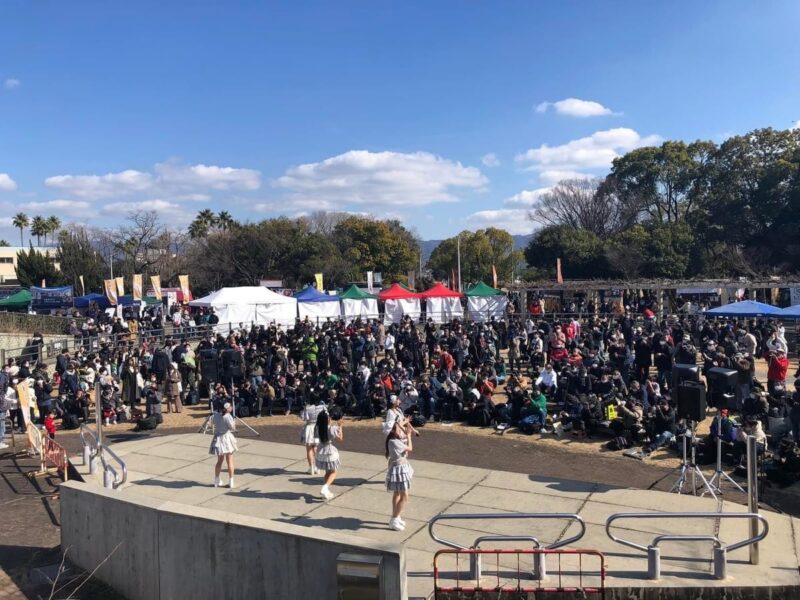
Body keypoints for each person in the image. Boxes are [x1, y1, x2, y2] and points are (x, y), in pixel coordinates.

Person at [385, 419, 414, 531]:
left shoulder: (393, 440)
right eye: (397, 429)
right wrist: (409, 436)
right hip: (399, 469)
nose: (400, 430)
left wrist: (405, 427)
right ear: (393, 431)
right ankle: (394, 518)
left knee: (397, 493)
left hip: (399, 468)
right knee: (404, 496)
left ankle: (396, 516)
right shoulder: (394, 442)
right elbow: (410, 448)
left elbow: (401, 435)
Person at [316, 408, 343, 500]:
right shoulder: (331, 429)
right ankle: (325, 487)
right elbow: (340, 439)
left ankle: (326, 490)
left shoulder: (318, 427)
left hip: (321, 450)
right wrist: (340, 427)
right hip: (330, 451)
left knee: (328, 471)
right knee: (334, 471)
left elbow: (315, 436)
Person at [209, 402, 237, 488]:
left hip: (218, 438)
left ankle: (216, 480)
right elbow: (233, 428)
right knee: (230, 461)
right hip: (226, 438)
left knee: (219, 461)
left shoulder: (216, 415)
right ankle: (231, 481)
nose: (231, 407)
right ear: (227, 408)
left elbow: (212, 424)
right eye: (230, 406)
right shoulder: (228, 416)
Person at [300, 397, 326, 475]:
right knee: (316, 448)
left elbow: (304, 418)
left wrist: (304, 408)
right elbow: (326, 416)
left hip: (309, 427)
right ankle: (317, 467)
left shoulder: (308, 408)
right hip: (318, 427)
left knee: (309, 449)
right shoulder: (323, 407)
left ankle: (311, 467)